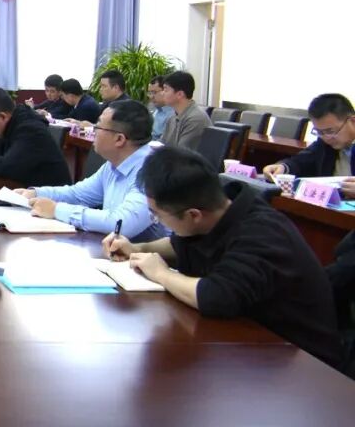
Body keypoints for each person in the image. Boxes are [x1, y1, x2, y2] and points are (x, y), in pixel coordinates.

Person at [104, 146, 343, 369]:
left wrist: (161, 273)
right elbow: (182, 244)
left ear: (194, 215)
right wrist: (138, 248)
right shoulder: (219, 210)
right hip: (249, 347)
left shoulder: (262, 234)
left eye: (156, 215)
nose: (156, 220)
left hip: (299, 364)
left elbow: (215, 296)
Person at [18, 101, 166, 241]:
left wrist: (57, 210)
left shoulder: (152, 170)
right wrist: (36, 193)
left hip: (149, 256)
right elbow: (78, 194)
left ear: (119, 139)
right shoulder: (114, 163)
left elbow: (122, 224)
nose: (93, 130)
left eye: (98, 126)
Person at [263, 93, 355, 199]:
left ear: (353, 121)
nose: (326, 138)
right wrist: (283, 167)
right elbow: (302, 161)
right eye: (319, 132)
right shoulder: (325, 142)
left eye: (330, 131)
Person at [159, 71, 212, 149]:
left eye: (166, 90)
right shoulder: (173, 117)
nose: (162, 93)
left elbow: (182, 152)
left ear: (180, 94)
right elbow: (161, 145)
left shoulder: (195, 119)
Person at [147, 75, 173, 141]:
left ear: (165, 91)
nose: (151, 96)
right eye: (149, 93)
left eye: (154, 92)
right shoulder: (156, 110)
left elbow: (164, 142)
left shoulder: (172, 115)